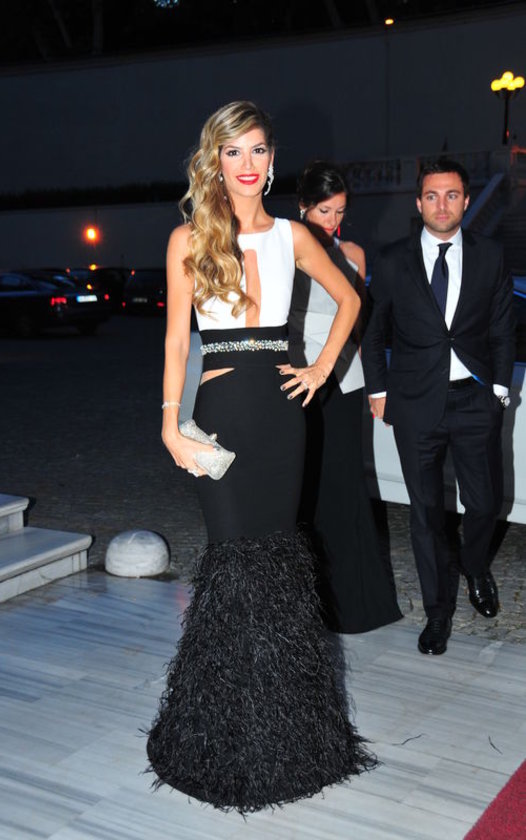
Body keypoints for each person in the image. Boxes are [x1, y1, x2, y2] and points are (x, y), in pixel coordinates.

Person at [146, 101, 376, 813]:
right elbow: (176, 341)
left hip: (281, 416)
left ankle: (287, 738)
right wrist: (169, 422)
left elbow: (350, 300)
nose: (247, 164)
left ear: (272, 160)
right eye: (233, 151)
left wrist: (321, 370)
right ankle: (216, 736)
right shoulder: (188, 238)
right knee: (232, 565)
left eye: (258, 150)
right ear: (215, 161)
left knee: (276, 567)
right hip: (219, 412)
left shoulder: (294, 235)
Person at [362, 158, 515, 656]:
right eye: (432, 196)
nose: (441, 205)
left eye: (451, 195)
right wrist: (378, 391)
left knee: (485, 504)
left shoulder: (491, 255)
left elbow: (502, 328)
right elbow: (374, 332)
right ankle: (437, 612)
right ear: (419, 202)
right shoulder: (393, 260)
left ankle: (475, 566)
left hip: (475, 399)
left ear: (466, 201)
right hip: (414, 404)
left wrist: (497, 390)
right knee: (425, 514)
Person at [288, 160, 402, 633]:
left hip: (346, 384)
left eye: (339, 212)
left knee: (346, 490)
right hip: (298, 381)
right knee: (302, 491)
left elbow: (364, 329)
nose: (333, 221)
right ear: (303, 207)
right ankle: (303, 605)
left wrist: (377, 385)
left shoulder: (354, 253)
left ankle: (352, 606)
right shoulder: (283, 249)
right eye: (324, 211)